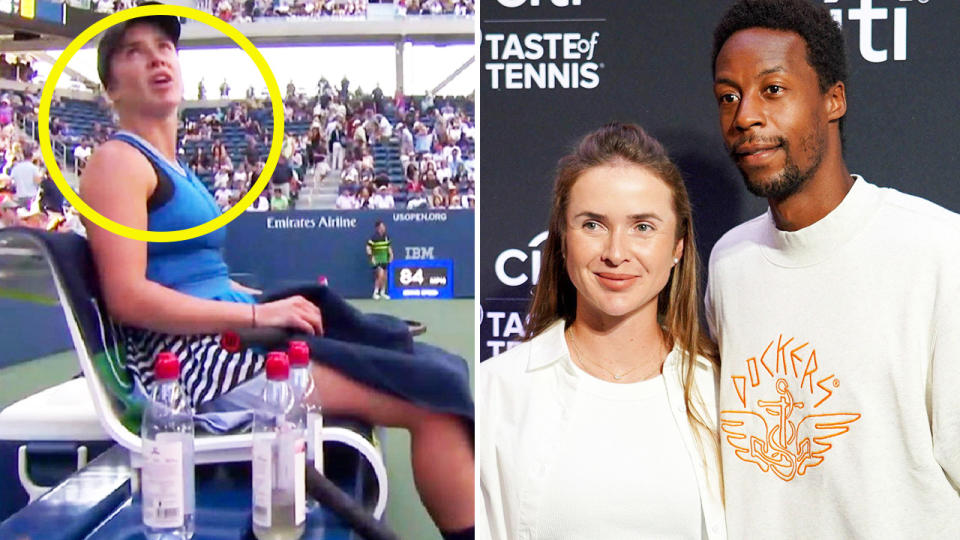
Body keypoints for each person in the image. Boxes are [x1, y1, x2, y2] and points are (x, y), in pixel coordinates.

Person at [77, 11, 473, 539]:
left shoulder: (174, 166)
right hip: (199, 367)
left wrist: (261, 301)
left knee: (440, 366)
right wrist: (258, 312)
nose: (156, 57)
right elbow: (127, 297)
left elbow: (194, 275)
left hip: (232, 342)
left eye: (165, 46)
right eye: (133, 51)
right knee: (435, 398)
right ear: (110, 89)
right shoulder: (117, 162)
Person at [705, 1, 960, 538]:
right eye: (729, 96)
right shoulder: (730, 264)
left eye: (772, 89)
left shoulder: (937, 248)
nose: (745, 115)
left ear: (832, 99)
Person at [478, 124, 725, 540]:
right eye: (593, 224)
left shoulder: (722, 394)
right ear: (562, 240)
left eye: (642, 227)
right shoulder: (495, 392)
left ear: (677, 248)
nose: (615, 252)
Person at [366, 220, 393, 300]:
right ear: (377, 228)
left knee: (384, 276)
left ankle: (382, 292)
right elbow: (368, 248)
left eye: (383, 226)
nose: (383, 228)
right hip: (377, 259)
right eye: (381, 227)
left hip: (385, 259)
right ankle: (375, 292)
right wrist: (371, 257)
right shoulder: (373, 237)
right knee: (380, 275)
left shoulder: (386, 237)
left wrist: (391, 255)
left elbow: (389, 247)